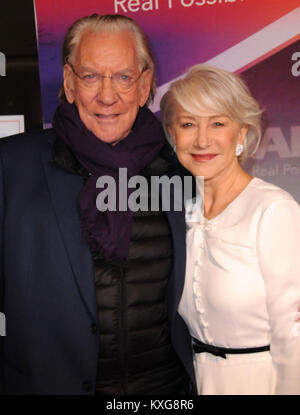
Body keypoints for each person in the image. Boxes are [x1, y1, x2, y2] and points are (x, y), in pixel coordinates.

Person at [0, 14, 195, 395]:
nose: (108, 96)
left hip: (162, 392)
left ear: (144, 85)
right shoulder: (12, 166)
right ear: (70, 83)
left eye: (123, 77)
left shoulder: (178, 169)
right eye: (91, 77)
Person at [160, 64, 300, 394]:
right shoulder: (180, 212)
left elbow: (294, 336)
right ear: (173, 134)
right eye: (188, 124)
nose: (202, 139)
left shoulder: (272, 210)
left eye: (218, 123)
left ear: (241, 134)